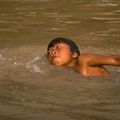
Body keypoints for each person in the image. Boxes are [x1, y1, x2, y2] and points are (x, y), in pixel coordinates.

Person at [47, 37, 120, 77]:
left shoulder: (84, 60)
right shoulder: (61, 74)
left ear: (74, 54)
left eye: (58, 47)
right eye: (49, 52)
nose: (53, 52)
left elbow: (114, 60)